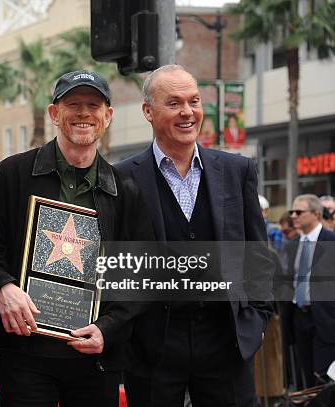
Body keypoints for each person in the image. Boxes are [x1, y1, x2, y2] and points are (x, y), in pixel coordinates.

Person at [0, 70, 154, 406]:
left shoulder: (125, 191)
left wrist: (109, 328)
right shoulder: (13, 174)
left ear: (108, 116)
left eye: (93, 105)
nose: (84, 113)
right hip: (24, 354)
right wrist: (3, 286)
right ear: (54, 113)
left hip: (94, 360)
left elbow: (137, 276)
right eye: (73, 104)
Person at [115, 64, 274, 407]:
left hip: (226, 338)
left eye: (194, 101)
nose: (188, 112)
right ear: (148, 111)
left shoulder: (237, 170)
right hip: (152, 345)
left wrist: (257, 319)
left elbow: (256, 253)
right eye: (173, 103)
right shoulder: (121, 178)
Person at [281, 194, 335, 387]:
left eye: (299, 212)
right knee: (304, 377)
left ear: (315, 214)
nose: (294, 216)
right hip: (298, 317)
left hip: (326, 319)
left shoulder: (331, 240)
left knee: (325, 379)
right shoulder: (292, 245)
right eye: (292, 212)